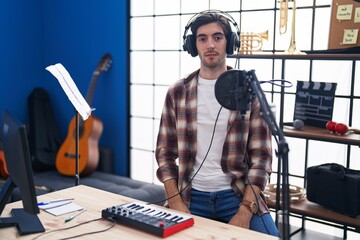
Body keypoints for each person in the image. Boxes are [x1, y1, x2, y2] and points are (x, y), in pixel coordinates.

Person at [155, 10, 279, 237]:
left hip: (238, 196)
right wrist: (175, 202)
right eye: (202, 38)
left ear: (230, 43)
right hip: (190, 196)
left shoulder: (250, 92)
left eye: (217, 37)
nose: (210, 44)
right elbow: (164, 154)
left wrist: (245, 211)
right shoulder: (177, 92)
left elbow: (262, 158)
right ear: (193, 46)